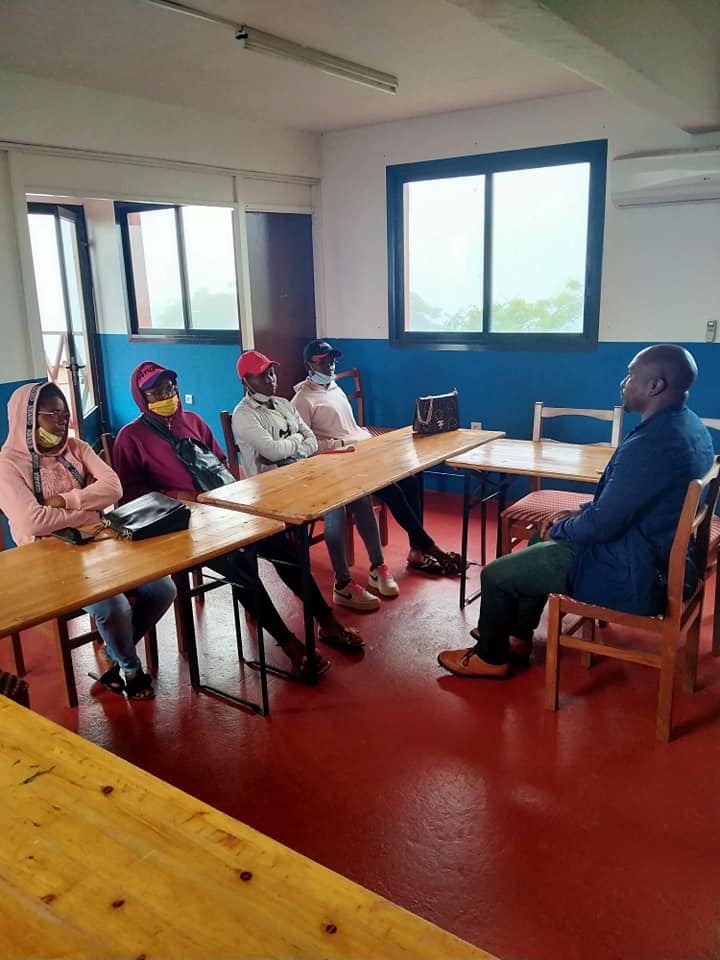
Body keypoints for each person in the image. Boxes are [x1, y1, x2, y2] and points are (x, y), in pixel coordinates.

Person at [437, 344, 715, 679]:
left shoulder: (651, 444)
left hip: (633, 570)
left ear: (655, 386)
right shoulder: (689, 427)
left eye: (631, 375)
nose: (623, 382)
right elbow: (630, 500)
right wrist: (574, 515)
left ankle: (491, 658)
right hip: (657, 552)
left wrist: (566, 528)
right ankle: (518, 636)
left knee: (495, 574)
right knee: (542, 531)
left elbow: (601, 526)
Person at [113, 361, 359, 681]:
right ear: (141, 397)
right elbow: (131, 496)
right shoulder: (130, 438)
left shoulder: (193, 421)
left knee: (285, 551)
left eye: (170, 388)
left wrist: (230, 498)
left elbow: (220, 463)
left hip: (224, 508)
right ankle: (290, 645)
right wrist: (177, 494)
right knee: (241, 567)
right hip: (181, 526)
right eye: (156, 391)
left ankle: (327, 622)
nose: (166, 395)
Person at [0, 382, 175, 700]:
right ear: (27, 418)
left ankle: (112, 651)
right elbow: (30, 522)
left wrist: (66, 501)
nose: (61, 420)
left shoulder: (76, 447)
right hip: (46, 558)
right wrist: (87, 507)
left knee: (164, 588)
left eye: (64, 412)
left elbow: (114, 488)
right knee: (114, 605)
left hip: (99, 542)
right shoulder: (8, 465)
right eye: (51, 413)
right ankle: (131, 669)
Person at [233, 349, 399, 611]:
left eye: (272, 373)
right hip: (272, 487)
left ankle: (377, 566)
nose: (271, 380)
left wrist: (294, 443)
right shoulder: (244, 415)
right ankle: (342, 584)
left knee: (359, 491)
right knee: (334, 500)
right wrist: (298, 441)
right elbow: (274, 452)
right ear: (246, 381)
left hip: (303, 473)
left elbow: (310, 441)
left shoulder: (283, 404)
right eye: (262, 376)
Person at [292, 339, 464, 577]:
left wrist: (366, 439)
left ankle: (417, 549)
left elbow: (350, 428)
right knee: (392, 490)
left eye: (331, 360)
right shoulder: (302, 400)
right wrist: (346, 444)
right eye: (321, 362)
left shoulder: (335, 388)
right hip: (337, 464)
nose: (329, 366)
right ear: (308, 365)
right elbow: (307, 447)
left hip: (362, 453)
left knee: (410, 478)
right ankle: (432, 547)